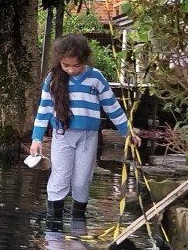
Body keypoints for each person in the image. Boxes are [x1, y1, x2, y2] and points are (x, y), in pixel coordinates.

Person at [30, 34, 140, 220]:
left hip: (88, 137)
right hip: (62, 135)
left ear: (85, 60)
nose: (71, 70)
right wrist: (36, 138)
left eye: (76, 65)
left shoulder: (96, 78)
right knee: (60, 177)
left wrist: (127, 132)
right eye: (66, 65)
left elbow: (112, 106)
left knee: (82, 182)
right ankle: (53, 226)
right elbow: (44, 109)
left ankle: (78, 223)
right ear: (59, 61)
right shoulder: (52, 79)